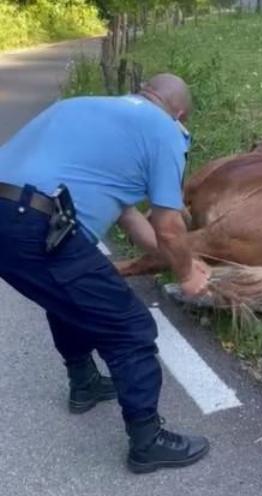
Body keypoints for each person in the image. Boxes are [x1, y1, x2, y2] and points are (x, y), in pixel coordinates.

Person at [0, 73, 212, 474]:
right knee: (131, 328)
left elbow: (129, 213)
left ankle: (84, 384)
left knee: (65, 294)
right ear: (179, 113)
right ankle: (148, 442)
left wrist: (175, 259)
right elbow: (169, 224)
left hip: (9, 214)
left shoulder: (79, 107)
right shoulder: (167, 132)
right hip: (39, 224)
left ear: (141, 92)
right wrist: (187, 275)